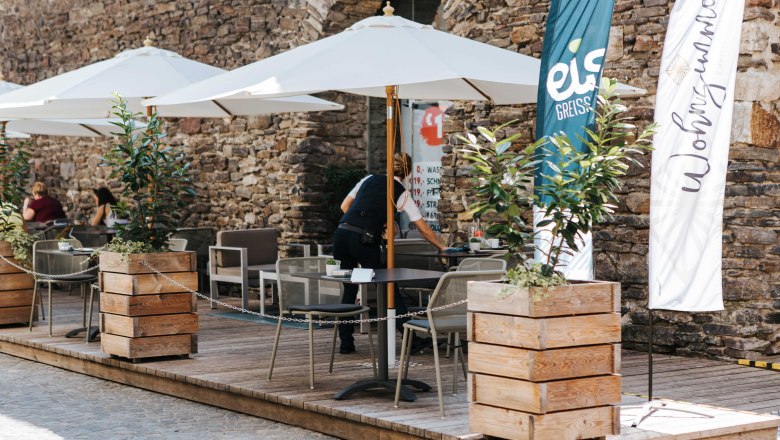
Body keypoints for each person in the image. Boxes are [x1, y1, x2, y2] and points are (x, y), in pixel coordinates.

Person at [332, 153, 448, 354]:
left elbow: (344, 206)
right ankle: (410, 339)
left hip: (341, 235)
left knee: (350, 289)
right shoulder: (400, 192)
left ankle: (346, 342)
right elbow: (423, 228)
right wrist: (442, 247)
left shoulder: (368, 179)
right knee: (388, 286)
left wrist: (376, 221)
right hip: (363, 240)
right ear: (407, 172)